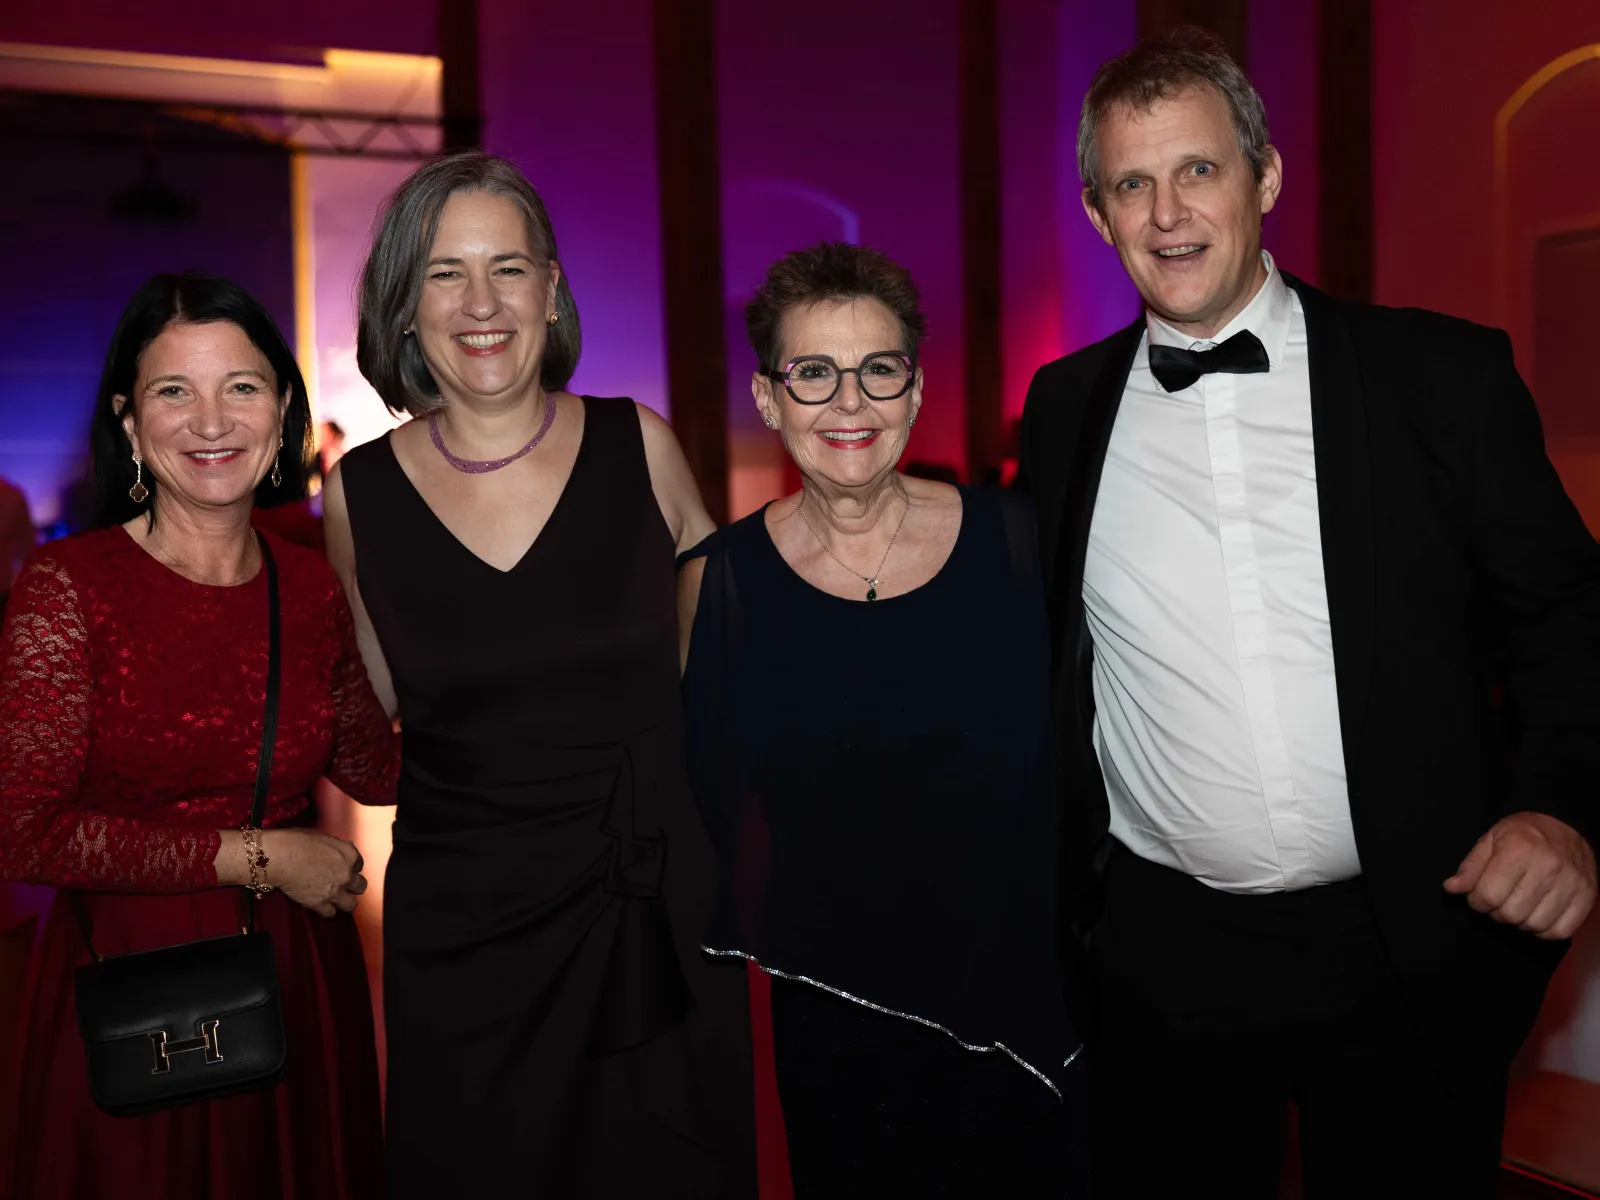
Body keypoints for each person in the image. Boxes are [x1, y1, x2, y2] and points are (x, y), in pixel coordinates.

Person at [1018, 28, 1600, 1199]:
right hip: (1162, 960)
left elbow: (1569, 620)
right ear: (1097, 214)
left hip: (1404, 944)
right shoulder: (1061, 406)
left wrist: (1561, 811)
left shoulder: (1440, 377)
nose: (1167, 212)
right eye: (1132, 182)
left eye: (1198, 170)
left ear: (1265, 178)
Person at [322, 150, 755, 1197]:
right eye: (445, 272)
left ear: (551, 289)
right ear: (403, 302)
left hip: (654, 905)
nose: (482, 303)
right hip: (466, 935)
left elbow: (742, 651)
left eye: (508, 268)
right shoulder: (359, 495)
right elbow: (362, 709)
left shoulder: (638, 445)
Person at [679, 242, 1085, 1197]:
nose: (850, 403)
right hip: (836, 1018)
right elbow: (696, 809)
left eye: (879, 369)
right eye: (813, 374)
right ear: (769, 398)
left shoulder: (1023, 544)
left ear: (913, 387)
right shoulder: (720, 587)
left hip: (1023, 1008)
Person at [0, 271, 395, 1200]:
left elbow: (376, 770)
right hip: (133, 978)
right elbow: (25, 830)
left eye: (242, 388)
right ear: (131, 424)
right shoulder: (69, 590)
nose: (211, 421)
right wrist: (260, 857)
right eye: (174, 391)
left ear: (283, 410)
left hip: (296, 972)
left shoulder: (308, 586)